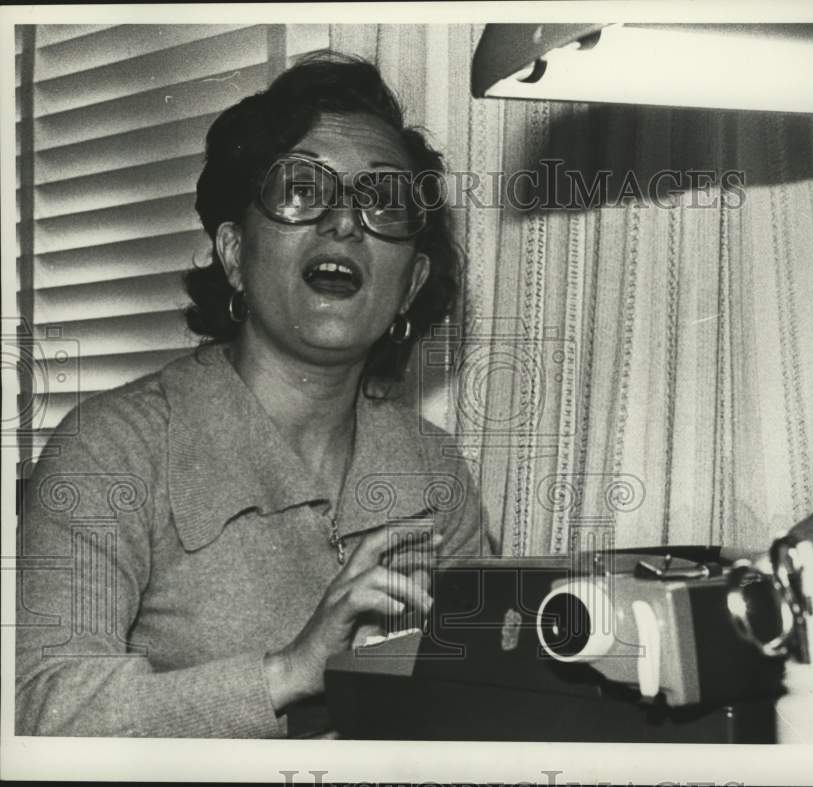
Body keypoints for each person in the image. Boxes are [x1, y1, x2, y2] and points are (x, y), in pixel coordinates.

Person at [15, 53, 492, 738]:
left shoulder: (434, 471)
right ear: (234, 254)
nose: (344, 224)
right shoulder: (111, 447)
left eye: (382, 200)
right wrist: (292, 669)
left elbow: (478, 699)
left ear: (411, 285)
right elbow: (39, 707)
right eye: (302, 189)